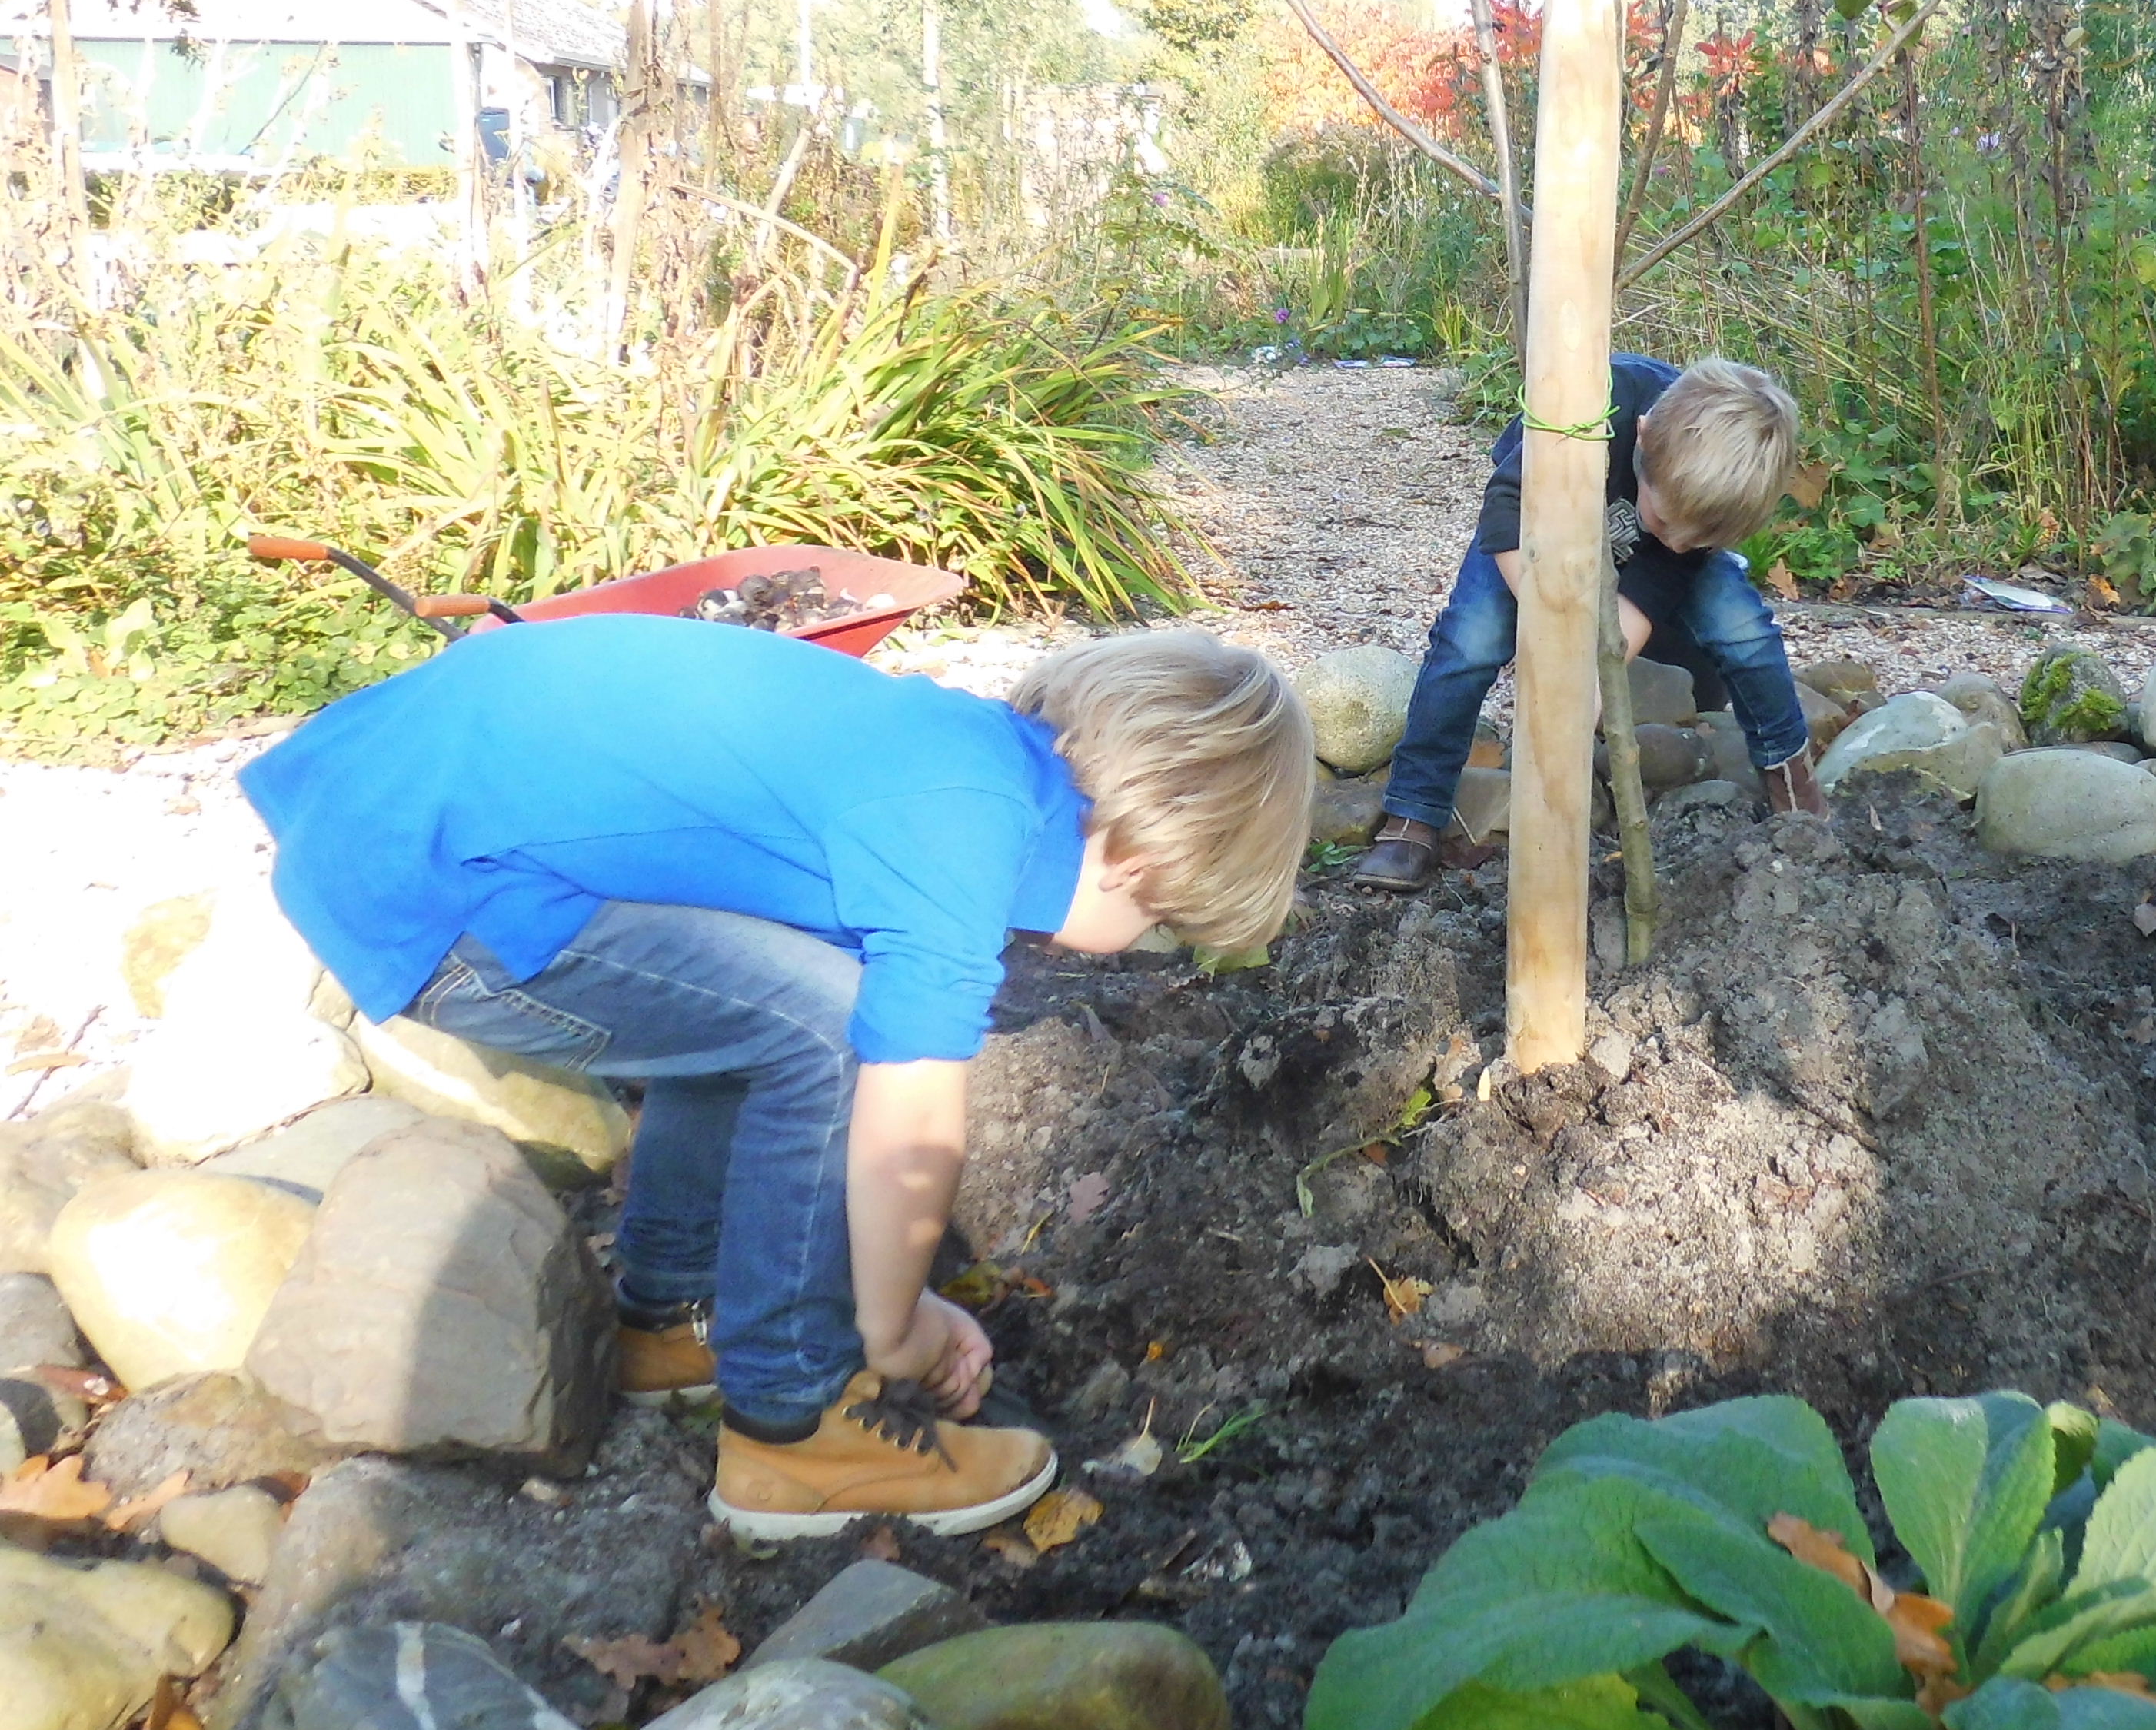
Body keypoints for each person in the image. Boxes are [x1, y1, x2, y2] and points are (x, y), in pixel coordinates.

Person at [241, 617, 1312, 1536]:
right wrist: (894, 1326)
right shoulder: (963, 834)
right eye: (1160, 920)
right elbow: (911, 1109)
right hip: (440, 884)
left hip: (402, 802)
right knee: (834, 1029)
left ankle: (677, 1311)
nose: (1139, 938)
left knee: (763, 1007)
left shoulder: (962, 760)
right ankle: (794, 1426)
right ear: (1141, 860)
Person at [1355, 353, 1825, 893]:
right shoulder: (1584, 415)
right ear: (1643, 439)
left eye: (1699, 540)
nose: (1677, 543)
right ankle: (1414, 811)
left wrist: (1592, 679)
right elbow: (1506, 511)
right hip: (1531, 530)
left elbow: (1661, 574)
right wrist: (1549, 625)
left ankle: (1789, 775)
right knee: (1470, 640)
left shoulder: (1695, 504)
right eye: (1668, 522)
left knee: (1743, 629)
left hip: (1647, 535)